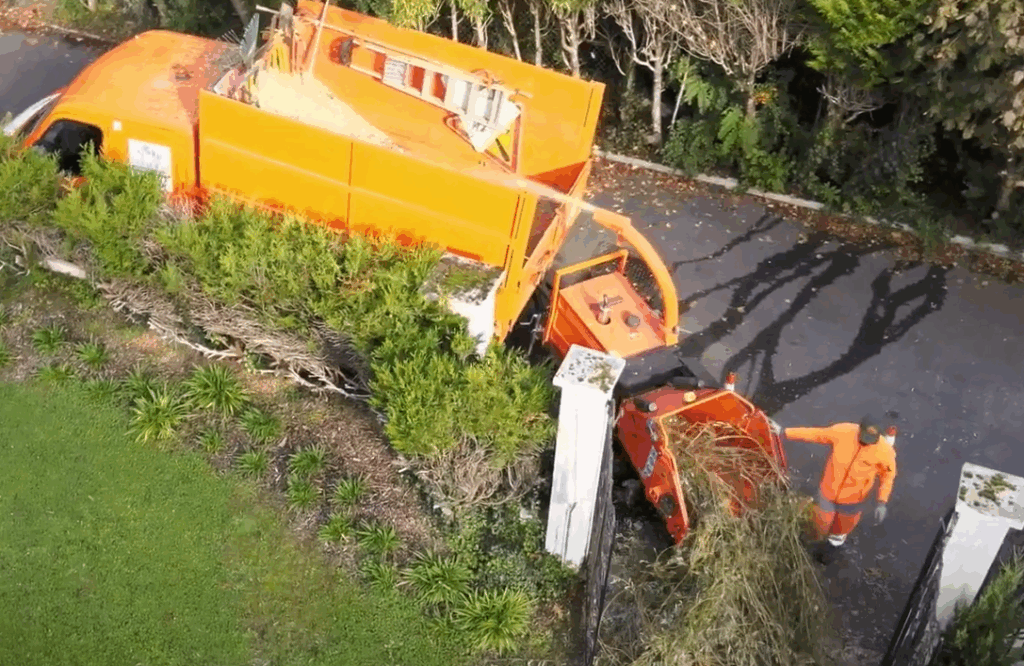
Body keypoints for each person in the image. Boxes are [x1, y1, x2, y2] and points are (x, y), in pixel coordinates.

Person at [769, 415, 897, 558]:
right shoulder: (843, 432)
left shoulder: (885, 452)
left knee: (840, 531)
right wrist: (784, 432)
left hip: (853, 501)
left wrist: (882, 502)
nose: (866, 442)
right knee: (817, 523)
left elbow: (888, 477)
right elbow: (816, 434)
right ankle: (805, 544)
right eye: (864, 436)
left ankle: (829, 551)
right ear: (859, 429)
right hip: (827, 494)